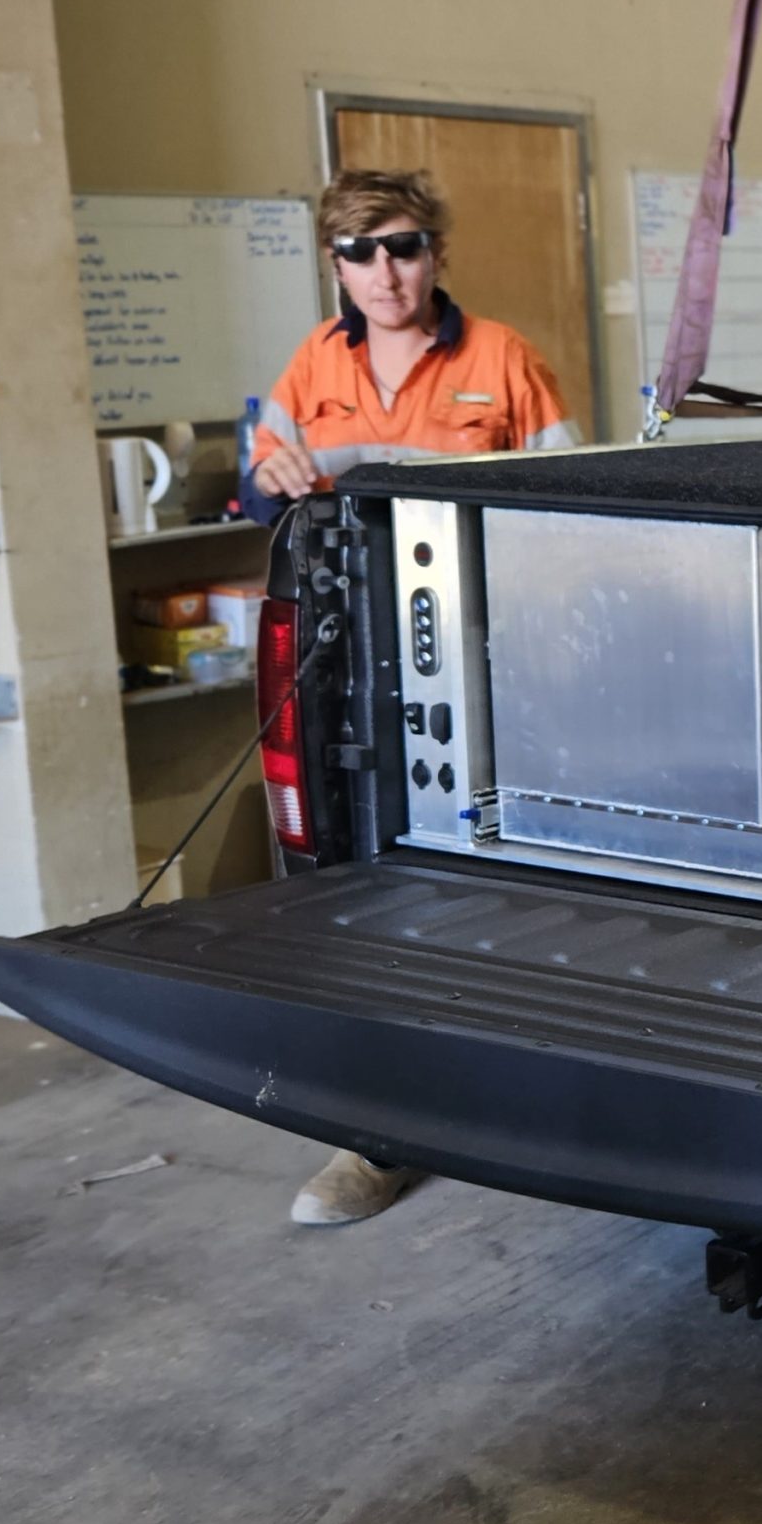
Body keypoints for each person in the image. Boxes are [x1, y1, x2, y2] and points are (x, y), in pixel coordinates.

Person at [252, 168, 583, 1228]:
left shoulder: (503, 358)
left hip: (487, 658)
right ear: (335, 265)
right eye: (360, 253)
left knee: (506, 871)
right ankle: (375, 1134)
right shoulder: (313, 362)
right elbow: (263, 480)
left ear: (436, 252)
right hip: (353, 669)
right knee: (361, 881)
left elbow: (571, 504)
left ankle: (540, 1095)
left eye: (402, 247)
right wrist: (274, 473)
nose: (384, 273)